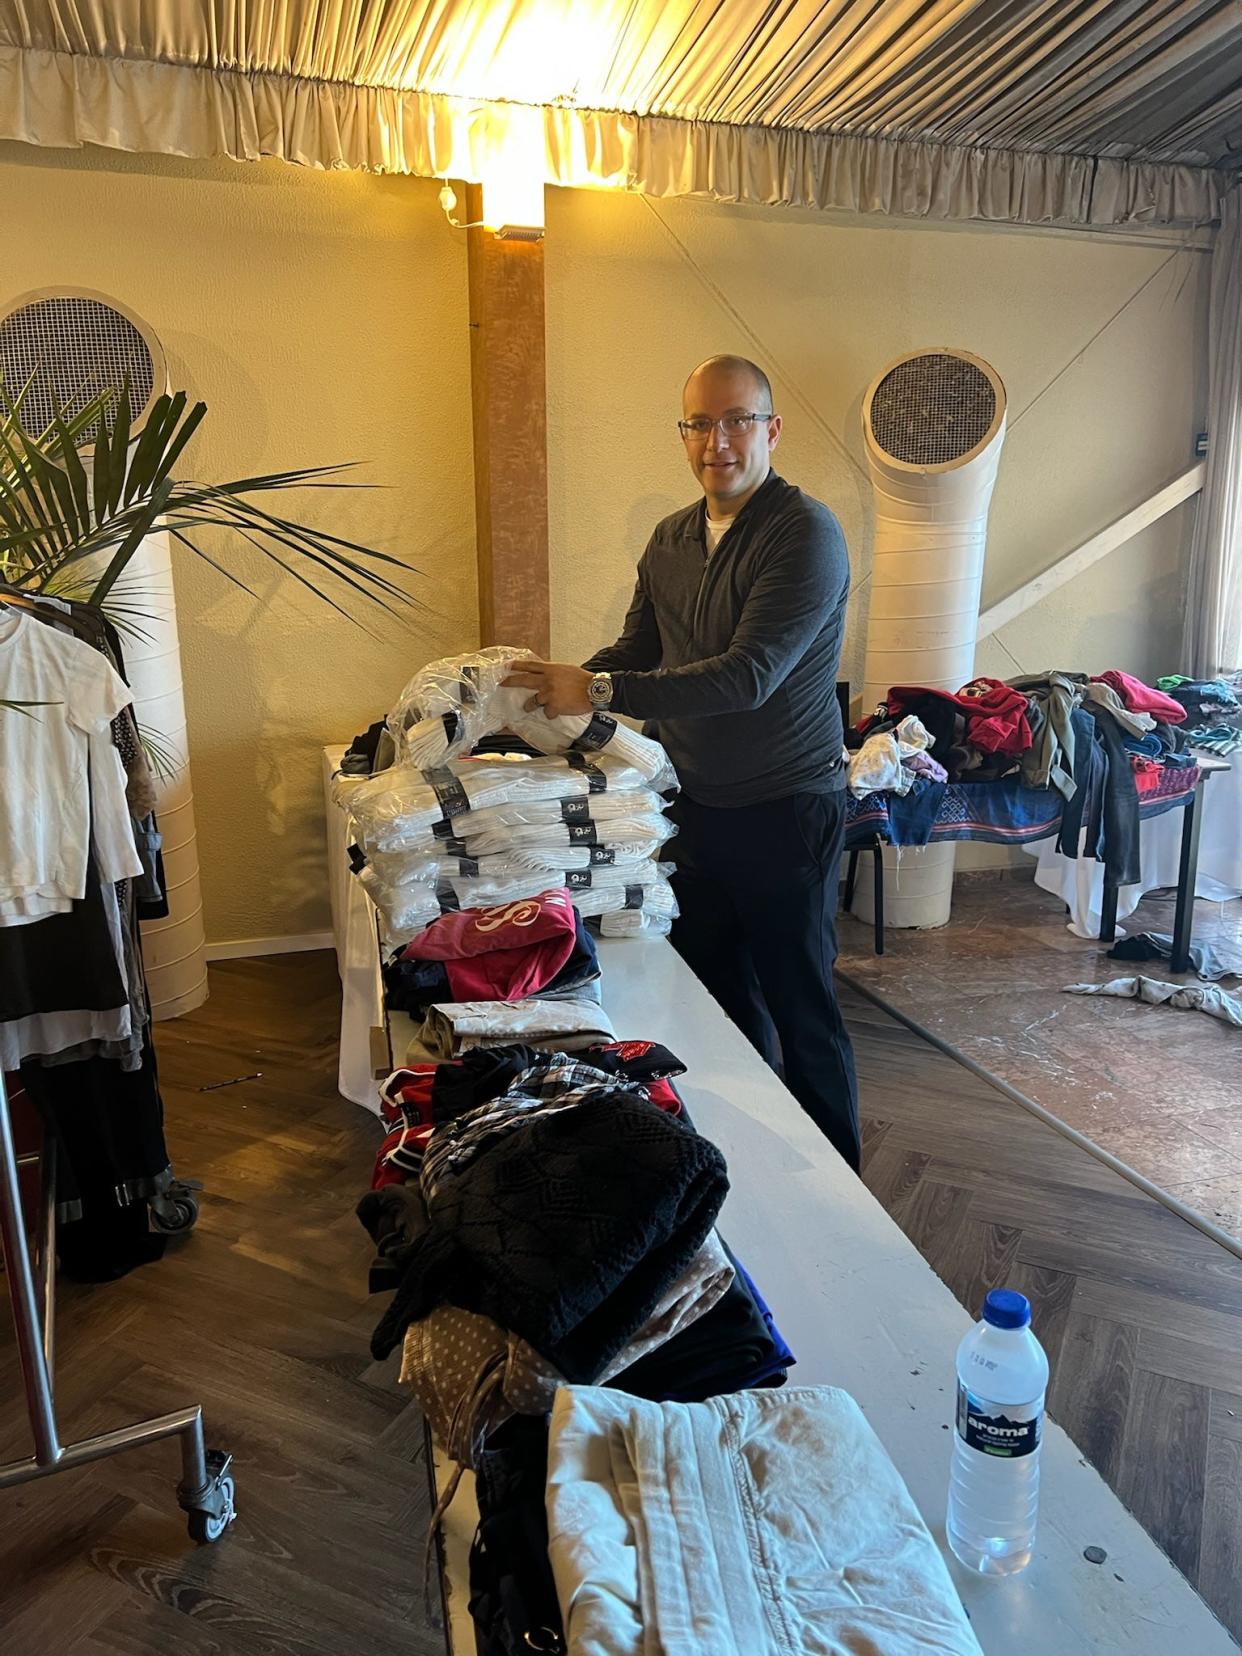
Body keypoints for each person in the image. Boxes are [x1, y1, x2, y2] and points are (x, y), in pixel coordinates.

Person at [503, 355, 859, 1170]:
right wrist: (541, 700)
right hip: (695, 808)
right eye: (699, 423)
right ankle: (747, 1162)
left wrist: (590, 686)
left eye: (736, 420)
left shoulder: (805, 533)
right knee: (718, 1005)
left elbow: (748, 675)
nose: (716, 441)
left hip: (788, 811)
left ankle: (844, 1187)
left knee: (803, 1009)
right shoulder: (671, 536)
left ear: (771, 429)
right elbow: (638, 650)